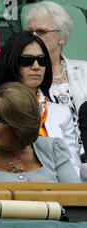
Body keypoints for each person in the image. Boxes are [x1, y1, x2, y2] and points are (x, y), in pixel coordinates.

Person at [0, 82, 80, 183]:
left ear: (21, 124)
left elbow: (77, 199)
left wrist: (46, 196)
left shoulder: (52, 149)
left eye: (0, 121)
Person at [0, 31, 81, 175]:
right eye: (27, 60)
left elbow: (73, 163)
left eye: (42, 60)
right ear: (12, 63)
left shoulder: (61, 112)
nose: (36, 66)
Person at [25, 1, 87, 155]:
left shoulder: (85, 70)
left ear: (62, 37)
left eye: (40, 31)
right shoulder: (25, 75)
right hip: (50, 156)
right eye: (30, 32)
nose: (33, 37)